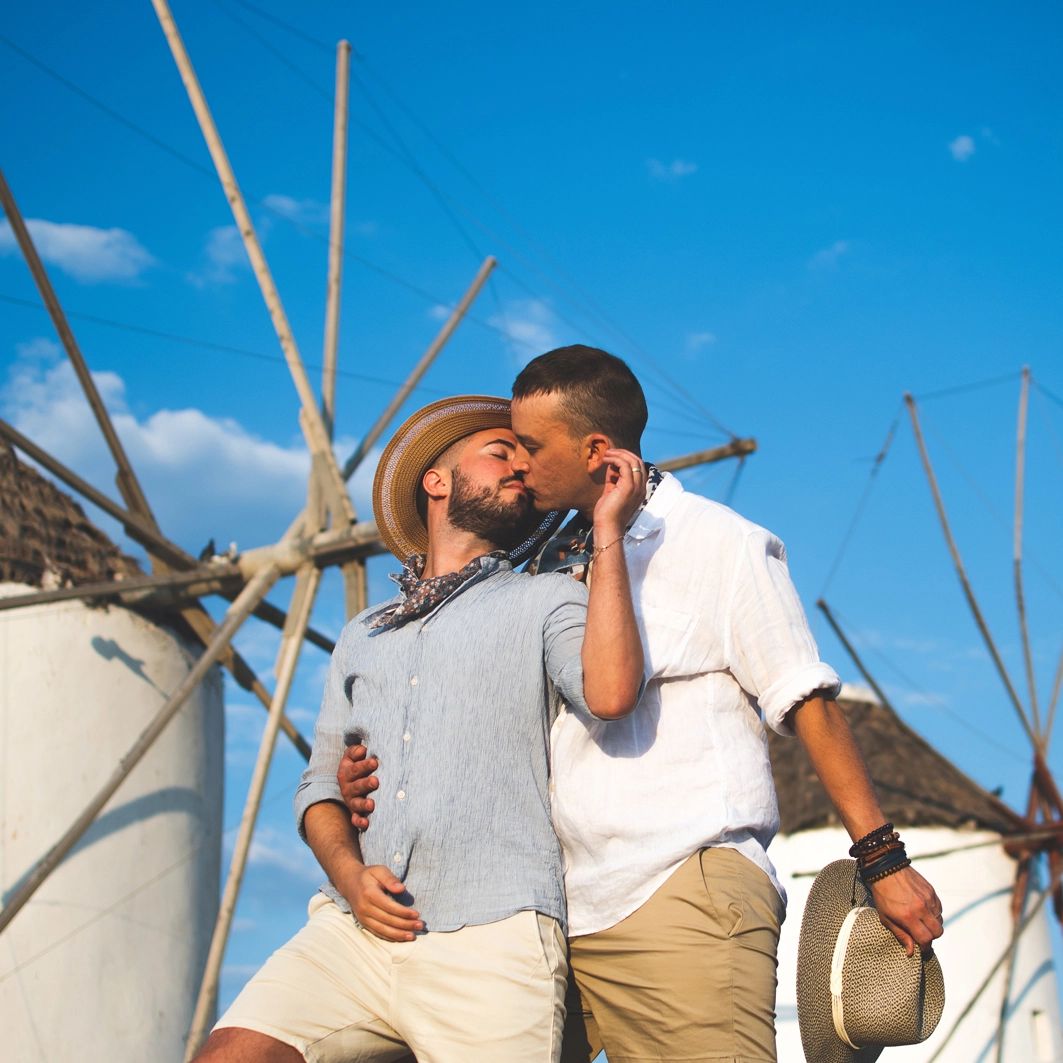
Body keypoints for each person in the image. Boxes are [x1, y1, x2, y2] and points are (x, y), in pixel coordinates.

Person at [340, 349, 945, 1063]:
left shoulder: (717, 542)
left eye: (531, 445)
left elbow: (805, 699)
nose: (519, 463)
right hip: (542, 913)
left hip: (674, 891)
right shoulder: (536, 562)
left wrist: (882, 860)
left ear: (596, 450)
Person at [195, 394, 647, 1063]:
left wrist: (606, 527)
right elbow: (320, 782)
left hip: (492, 934)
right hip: (354, 929)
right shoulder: (363, 633)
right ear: (436, 480)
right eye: (501, 452)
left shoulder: (545, 599)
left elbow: (610, 693)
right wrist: (349, 875)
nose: (520, 467)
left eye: (525, 456)